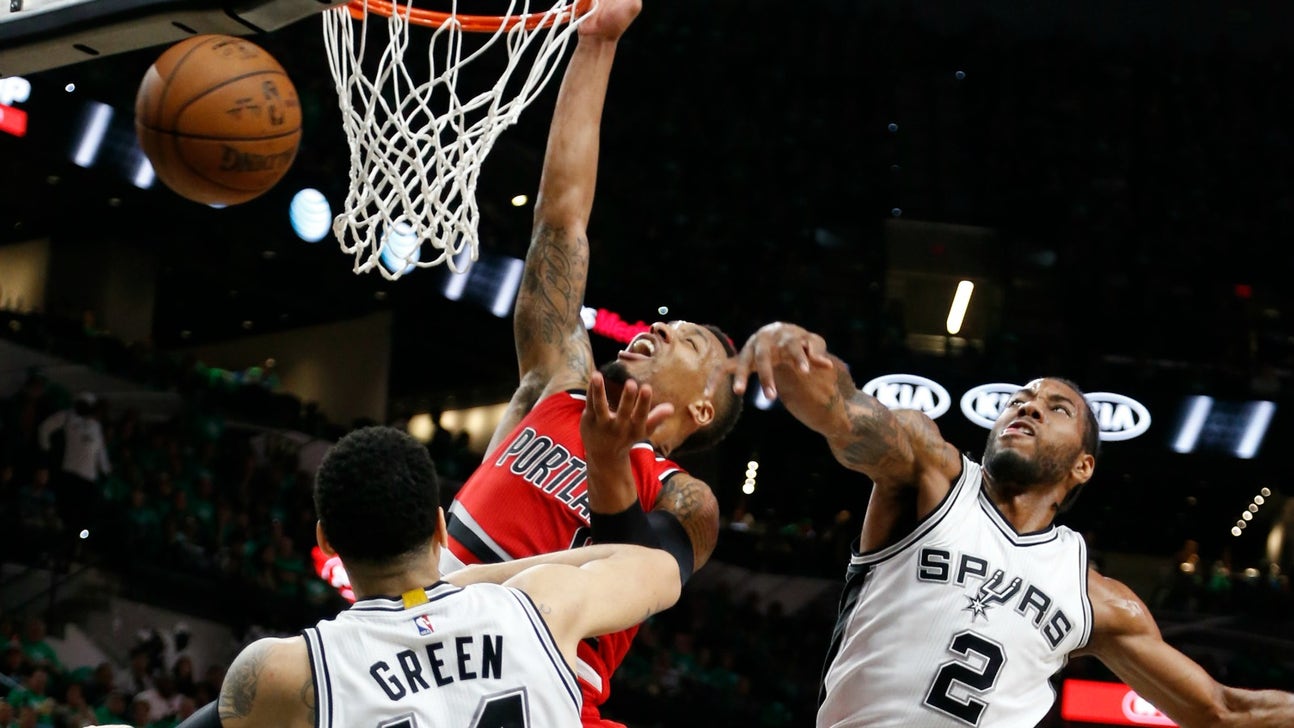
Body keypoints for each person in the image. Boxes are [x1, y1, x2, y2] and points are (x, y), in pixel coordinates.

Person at [728, 322, 1294, 728]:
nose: (1027, 407)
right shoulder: (932, 475)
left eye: (1057, 408)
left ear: (1083, 466)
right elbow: (844, 412)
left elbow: (1221, 710)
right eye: (1020, 399)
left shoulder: (1097, 599)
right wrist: (793, 354)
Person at [436, 0, 742, 724]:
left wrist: (609, 468)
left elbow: (639, 572)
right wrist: (597, 46)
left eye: (688, 342)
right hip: (420, 643)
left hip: (539, 688)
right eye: (669, 323)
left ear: (700, 410)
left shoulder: (686, 500)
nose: (662, 328)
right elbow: (560, 219)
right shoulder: (555, 385)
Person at [153, 416, 683, 728]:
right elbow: (658, 567)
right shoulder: (541, 608)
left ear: (326, 542)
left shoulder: (283, 672)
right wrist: (468, 583)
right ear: (438, 525)